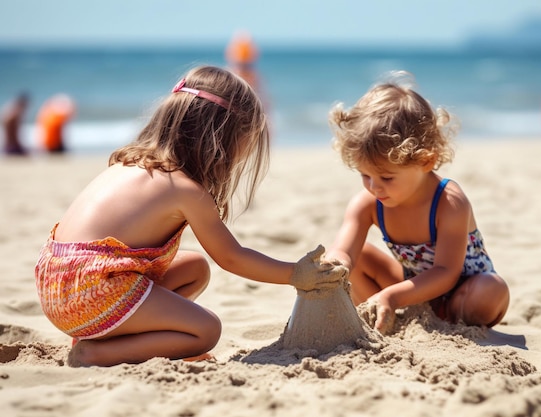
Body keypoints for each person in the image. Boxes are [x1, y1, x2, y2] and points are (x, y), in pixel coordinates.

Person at [34, 65, 346, 367]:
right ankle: (94, 354)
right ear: (222, 138)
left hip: (57, 285)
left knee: (194, 268)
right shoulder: (185, 189)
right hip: (92, 293)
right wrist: (295, 274)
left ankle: (112, 339)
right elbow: (232, 257)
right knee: (205, 331)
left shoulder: (128, 164)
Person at [323, 71, 509, 335]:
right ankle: (377, 313)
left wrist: (393, 296)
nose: (374, 187)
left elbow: (446, 272)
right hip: (412, 289)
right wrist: (334, 265)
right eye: (365, 175)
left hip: (463, 290)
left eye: (387, 177)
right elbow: (344, 249)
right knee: (358, 257)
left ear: (425, 161)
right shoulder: (368, 203)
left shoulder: (448, 202)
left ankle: (441, 321)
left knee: (492, 290)